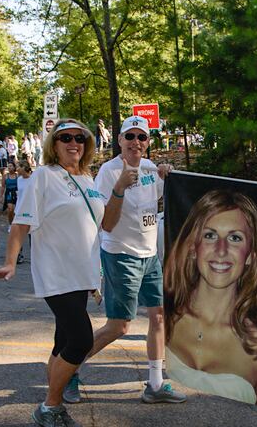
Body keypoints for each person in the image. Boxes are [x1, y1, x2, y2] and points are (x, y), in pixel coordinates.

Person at [0, 119, 105, 427]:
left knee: (61, 341)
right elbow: (20, 225)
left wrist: (97, 273)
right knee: (80, 340)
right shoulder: (44, 176)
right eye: (65, 137)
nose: (73, 143)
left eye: (79, 138)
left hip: (83, 274)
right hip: (57, 274)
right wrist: (11, 263)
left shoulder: (88, 179)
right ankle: (49, 406)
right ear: (54, 145)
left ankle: (53, 402)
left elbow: (94, 227)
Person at [67, 115, 185, 405]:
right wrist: (119, 187)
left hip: (150, 256)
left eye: (141, 137)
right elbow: (106, 223)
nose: (135, 142)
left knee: (159, 317)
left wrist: (165, 173)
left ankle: (155, 384)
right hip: (121, 254)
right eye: (129, 137)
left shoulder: (149, 168)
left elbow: (156, 203)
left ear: (148, 142)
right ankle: (70, 370)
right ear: (119, 140)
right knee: (119, 327)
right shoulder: (108, 172)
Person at [164, 189, 257, 406]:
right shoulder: (163, 319)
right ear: (193, 248)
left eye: (235, 238)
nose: (221, 250)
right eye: (210, 235)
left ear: (251, 256)